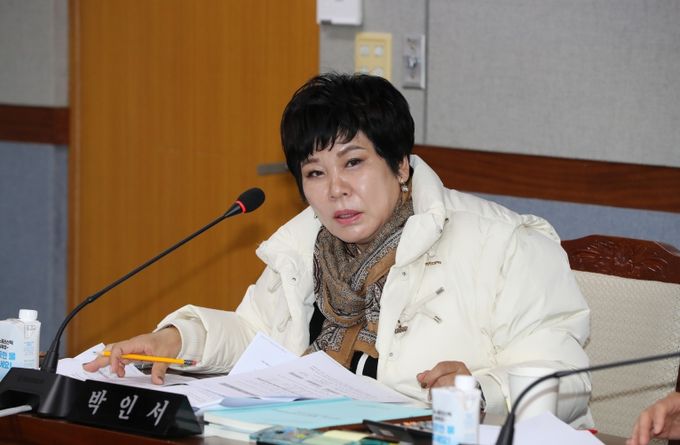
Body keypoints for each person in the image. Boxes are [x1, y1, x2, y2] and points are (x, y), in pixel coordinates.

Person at [84, 72, 592, 426]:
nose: (335, 190)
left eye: (353, 163)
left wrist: (479, 393)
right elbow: (257, 337)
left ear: (400, 164)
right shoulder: (305, 245)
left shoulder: (504, 244)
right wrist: (180, 340)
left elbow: (566, 381)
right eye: (315, 173)